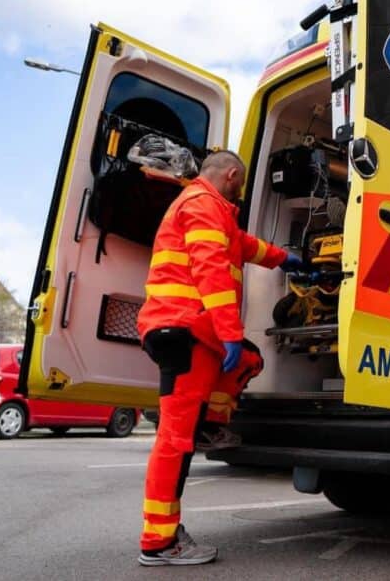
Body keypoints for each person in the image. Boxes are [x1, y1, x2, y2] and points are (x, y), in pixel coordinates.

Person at [135, 150, 301, 566]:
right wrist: (229, 332)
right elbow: (211, 269)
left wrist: (287, 259)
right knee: (174, 441)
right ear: (231, 176)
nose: (240, 193)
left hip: (185, 330)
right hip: (188, 331)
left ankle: (209, 425)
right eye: (241, 185)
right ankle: (159, 541)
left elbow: (242, 245)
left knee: (248, 360)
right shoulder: (204, 205)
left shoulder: (206, 208)